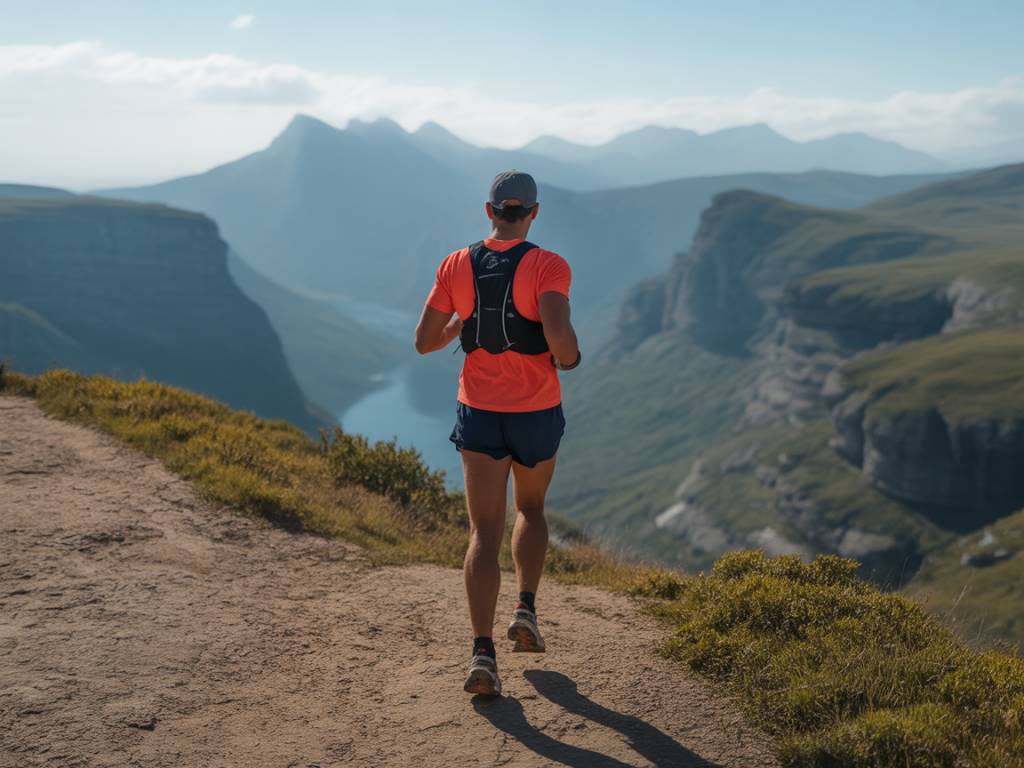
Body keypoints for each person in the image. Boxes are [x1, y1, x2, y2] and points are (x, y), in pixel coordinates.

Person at [415, 170, 580, 697]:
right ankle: (526, 609)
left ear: (488, 211)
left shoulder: (456, 263)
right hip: (534, 410)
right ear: (533, 213)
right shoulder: (549, 265)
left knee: (482, 530)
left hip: (479, 410)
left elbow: (424, 342)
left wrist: (461, 327)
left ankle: (482, 653)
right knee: (530, 510)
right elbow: (558, 337)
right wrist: (569, 359)